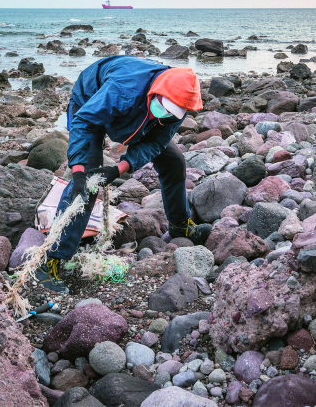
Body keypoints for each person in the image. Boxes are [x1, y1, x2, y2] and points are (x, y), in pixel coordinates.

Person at [35, 55, 211, 293]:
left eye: (171, 114)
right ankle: (51, 260)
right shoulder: (123, 88)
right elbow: (84, 121)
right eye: (163, 108)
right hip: (90, 100)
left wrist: (120, 168)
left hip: (138, 112)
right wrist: (77, 171)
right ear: (156, 92)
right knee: (88, 182)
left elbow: (156, 143)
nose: (165, 116)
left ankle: (180, 225)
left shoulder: (178, 103)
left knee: (174, 162)